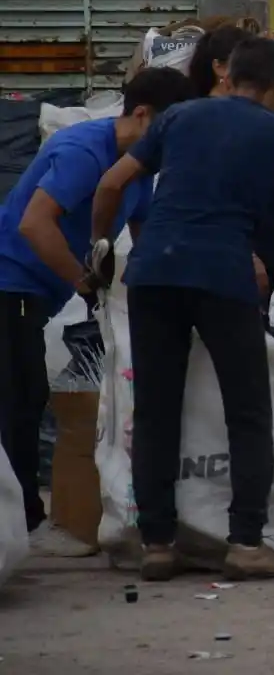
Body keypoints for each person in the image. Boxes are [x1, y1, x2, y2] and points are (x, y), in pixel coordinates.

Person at [90, 38, 274, 582]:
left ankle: (157, 543)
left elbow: (110, 184)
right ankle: (246, 542)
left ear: (230, 76)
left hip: (154, 273)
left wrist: (99, 251)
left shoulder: (178, 119)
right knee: (247, 412)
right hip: (224, 279)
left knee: (155, 410)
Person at [0, 68, 195, 546]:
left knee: (24, 399)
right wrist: (84, 283)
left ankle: (24, 521)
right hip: (8, 284)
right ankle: (24, 525)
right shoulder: (85, 152)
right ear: (143, 114)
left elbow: (147, 239)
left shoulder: (137, 170)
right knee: (18, 404)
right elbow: (33, 224)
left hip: (35, 294)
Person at [186, 25, 274, 318]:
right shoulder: (203, 121)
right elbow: (213, 199)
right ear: (219, 68)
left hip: (256, 261)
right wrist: (247, 256)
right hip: (227, 263)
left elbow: (263, 200)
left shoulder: (256, 121)